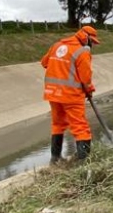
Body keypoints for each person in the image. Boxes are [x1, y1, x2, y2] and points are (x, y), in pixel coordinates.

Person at [40, 24, 100, 163]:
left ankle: (55, 158)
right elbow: (85, 78)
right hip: (71, 95)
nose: (93, 46)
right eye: (92, 42)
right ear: (86, 38)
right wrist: (89, 90)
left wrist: (61, 67)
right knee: (80, 126)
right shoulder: (82, 52)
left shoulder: (56, 46)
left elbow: (44, 63)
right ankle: (84, 160)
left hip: (53, 93)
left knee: (58, 124)